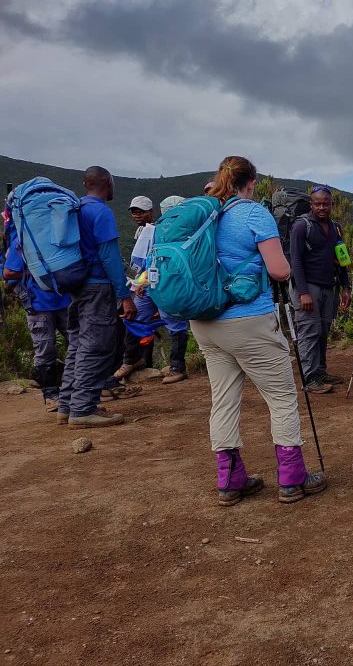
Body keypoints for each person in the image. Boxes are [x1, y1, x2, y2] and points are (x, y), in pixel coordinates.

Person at [189, 156, 326, 506]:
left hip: (204, 322)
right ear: (250, 182)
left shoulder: (201, 214)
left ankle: (230, 481)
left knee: (223, 399)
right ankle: (292, 479)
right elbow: (280, 271)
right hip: (248, 318)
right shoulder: (251, 213)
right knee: (281, 398)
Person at [56, 166, 137, 428]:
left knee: (78, 346)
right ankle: (82, 410)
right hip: (97, 287)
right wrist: (124, 296)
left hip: (76, 285)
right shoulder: (100, 211)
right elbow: (110, 257)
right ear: (107, 182)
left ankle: (67, 406)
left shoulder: (76, 209)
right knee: (96, 348)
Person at [113, 195, 192, 385]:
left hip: (170, 285)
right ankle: (132, 359)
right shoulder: (151, 231)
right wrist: (139, 283)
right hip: (152, 284)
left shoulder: (188, 233)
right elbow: (144, 261)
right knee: (135, 316)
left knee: (174, 323)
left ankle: (177, 366)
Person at [289, 185, 352, 394]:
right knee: (309, 331)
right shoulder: (301, 227)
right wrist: (303, 292)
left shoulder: (335, 228)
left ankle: (320, 371)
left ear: (332, 205)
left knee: (323, 331)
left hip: (328, 286)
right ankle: (310, 378)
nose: (322, 207)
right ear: (311, 204)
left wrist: (345, 287)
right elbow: (296, 261)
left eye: (326, 203)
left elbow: (341, 259)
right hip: (308, 287)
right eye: (318, 204)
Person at [2, 226, 70, 406]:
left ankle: (74, 389)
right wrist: (36, 271)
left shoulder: (57, 237)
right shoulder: (22, 241)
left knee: (77, 343)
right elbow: (8, 273)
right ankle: (51, 395)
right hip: (38, 303)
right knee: (45, 349)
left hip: (62, 300)